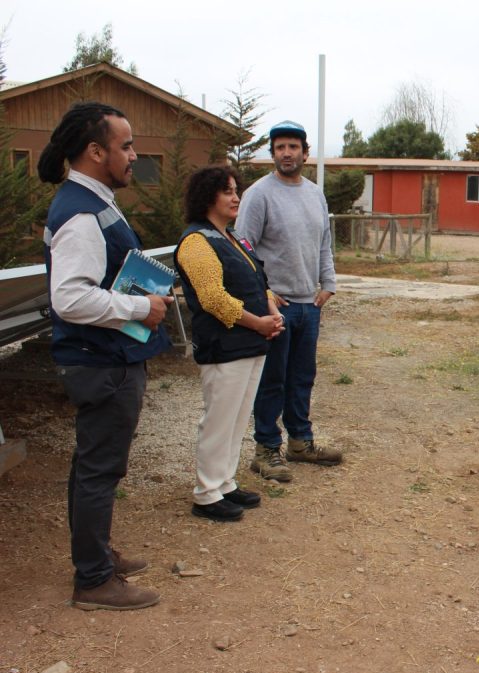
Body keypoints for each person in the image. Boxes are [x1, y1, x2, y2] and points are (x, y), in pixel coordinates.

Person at [39, 101, 172, 610]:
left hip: (107, 356)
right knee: (99, 470)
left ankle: (96, 557)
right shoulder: (80, 213)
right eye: (126, 146)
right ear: (96, 152)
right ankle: (93, 580)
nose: (134, 155)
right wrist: (143, 305)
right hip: (101, 362)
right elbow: (69, 297)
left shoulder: (90, 201)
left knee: (90, 466)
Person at [174, 166, 284, 521]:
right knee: (219, 419)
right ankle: (206, 493)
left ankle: (225, 482)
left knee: (238, 418)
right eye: (227, 191)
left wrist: (270, 308)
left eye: (236, 190)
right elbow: (213, 299)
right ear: (208, 197)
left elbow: (256, 279)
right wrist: (258, 322)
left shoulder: (232, 237)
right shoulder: (196, 242)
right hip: (224, 346)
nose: (236, 197)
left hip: (251, 344)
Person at [234, 120, 342, 482]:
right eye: (279, 147)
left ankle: (300, 442)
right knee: (272, 380)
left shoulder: (314, 194)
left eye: (293, 147)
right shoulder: (259, 195)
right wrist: (261, 293)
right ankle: (265, 450)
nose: (286, 153)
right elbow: (242, 249)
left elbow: (324, 242)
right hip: (275, 306)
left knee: (302, 377)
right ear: (272, 153)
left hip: (308, 306)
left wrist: (328, 283)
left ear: (305, 153)